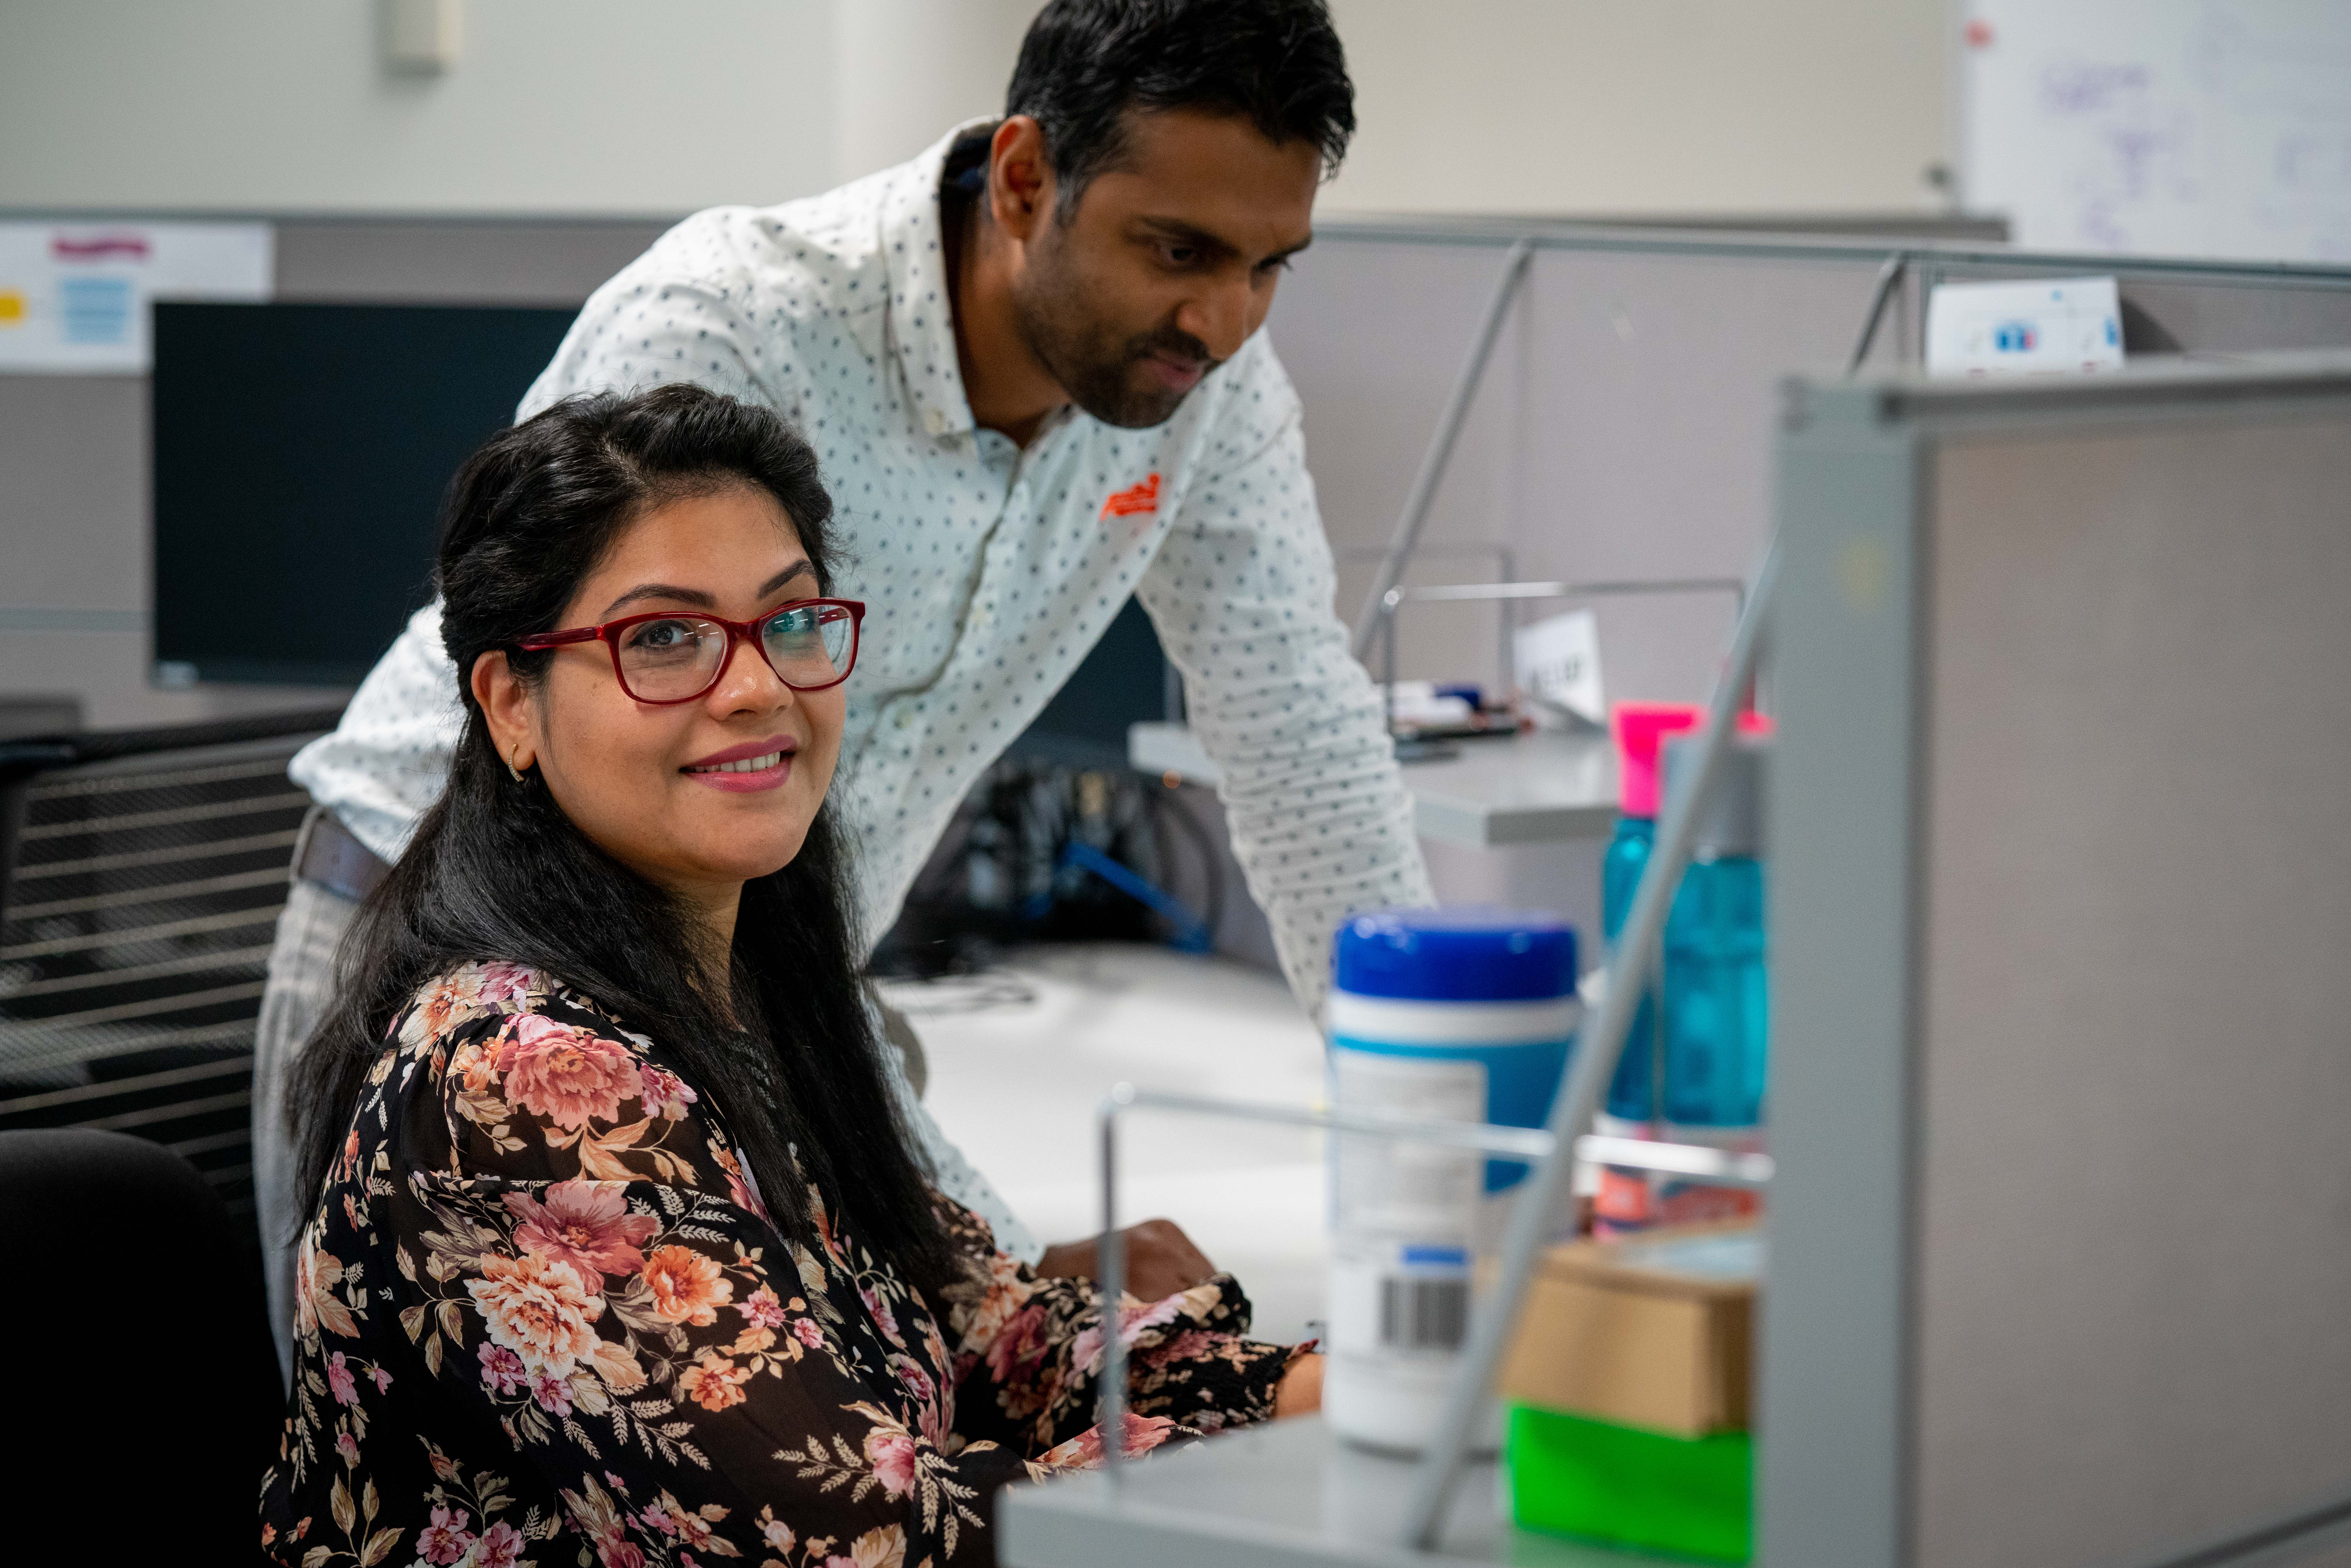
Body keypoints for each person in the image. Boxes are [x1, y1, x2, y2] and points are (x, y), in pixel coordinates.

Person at [255, 0, 1434, 1377]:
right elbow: (609, 789)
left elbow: (1302, 741)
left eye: (1268, 267)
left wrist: (1452, 1128)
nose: (1221, 319)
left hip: (756, 970)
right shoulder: (741, 325)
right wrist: (974, 1264)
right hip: (474, 960)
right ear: (1021, 179)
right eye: (1175, 251)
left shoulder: (1199, 394)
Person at [261, 385, 1320, 1568]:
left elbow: (968, 1320)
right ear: (513, 703)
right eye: (662, 637)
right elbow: (851, 1538)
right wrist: (1263, 1474)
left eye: (791, 621)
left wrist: (1307, 1394)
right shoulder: (516, 1078)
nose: (759, 684)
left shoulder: (739, 997)